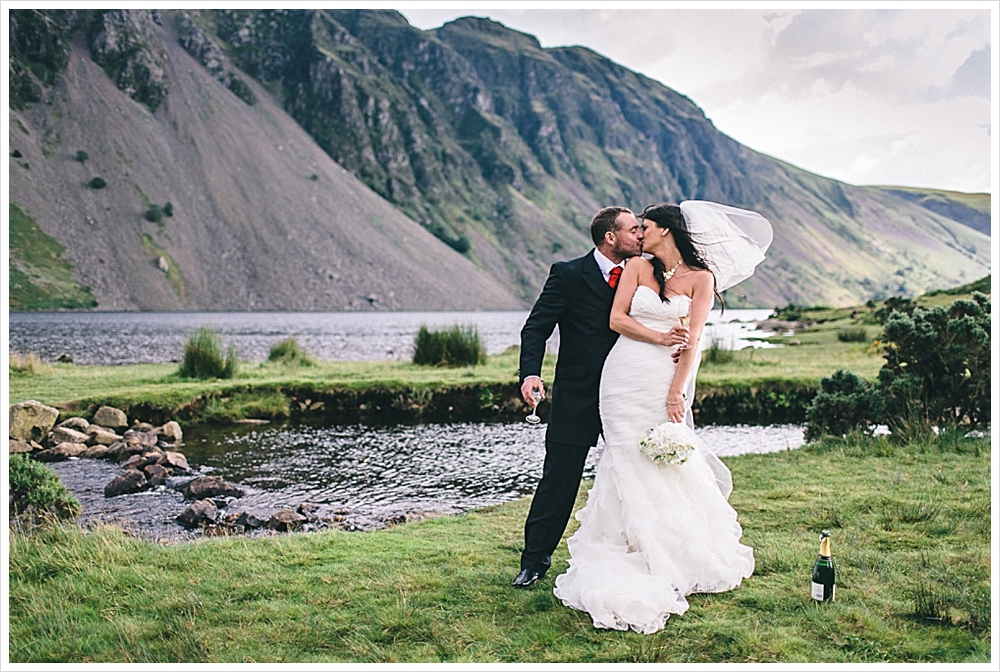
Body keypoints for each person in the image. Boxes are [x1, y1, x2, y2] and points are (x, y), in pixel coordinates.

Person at [552, 201, 773, 633]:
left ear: (666, 231)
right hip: (622, 376)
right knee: (625, 456)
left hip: (666, 378)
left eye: (645, 227)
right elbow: (617, 319)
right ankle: (629, 542)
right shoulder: (637, 268)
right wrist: (656, 336)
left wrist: (677, 391)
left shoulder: (702, 279)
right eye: (636, 228)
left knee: (666, 457)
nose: (639, 234)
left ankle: (675, 549)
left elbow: (693, 339)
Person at [514, 206, 690, 589]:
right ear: (611, 237)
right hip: (578, 395)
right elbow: (536, 327)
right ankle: (534, 561)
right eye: (632, 230)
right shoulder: (567, 274)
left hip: (633, 392)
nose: (640, 236)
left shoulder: (650, 271)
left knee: (643, 473)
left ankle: (652, 554)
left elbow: (674, 319)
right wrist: (530, 373)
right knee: (559, 478)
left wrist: (675, 348)